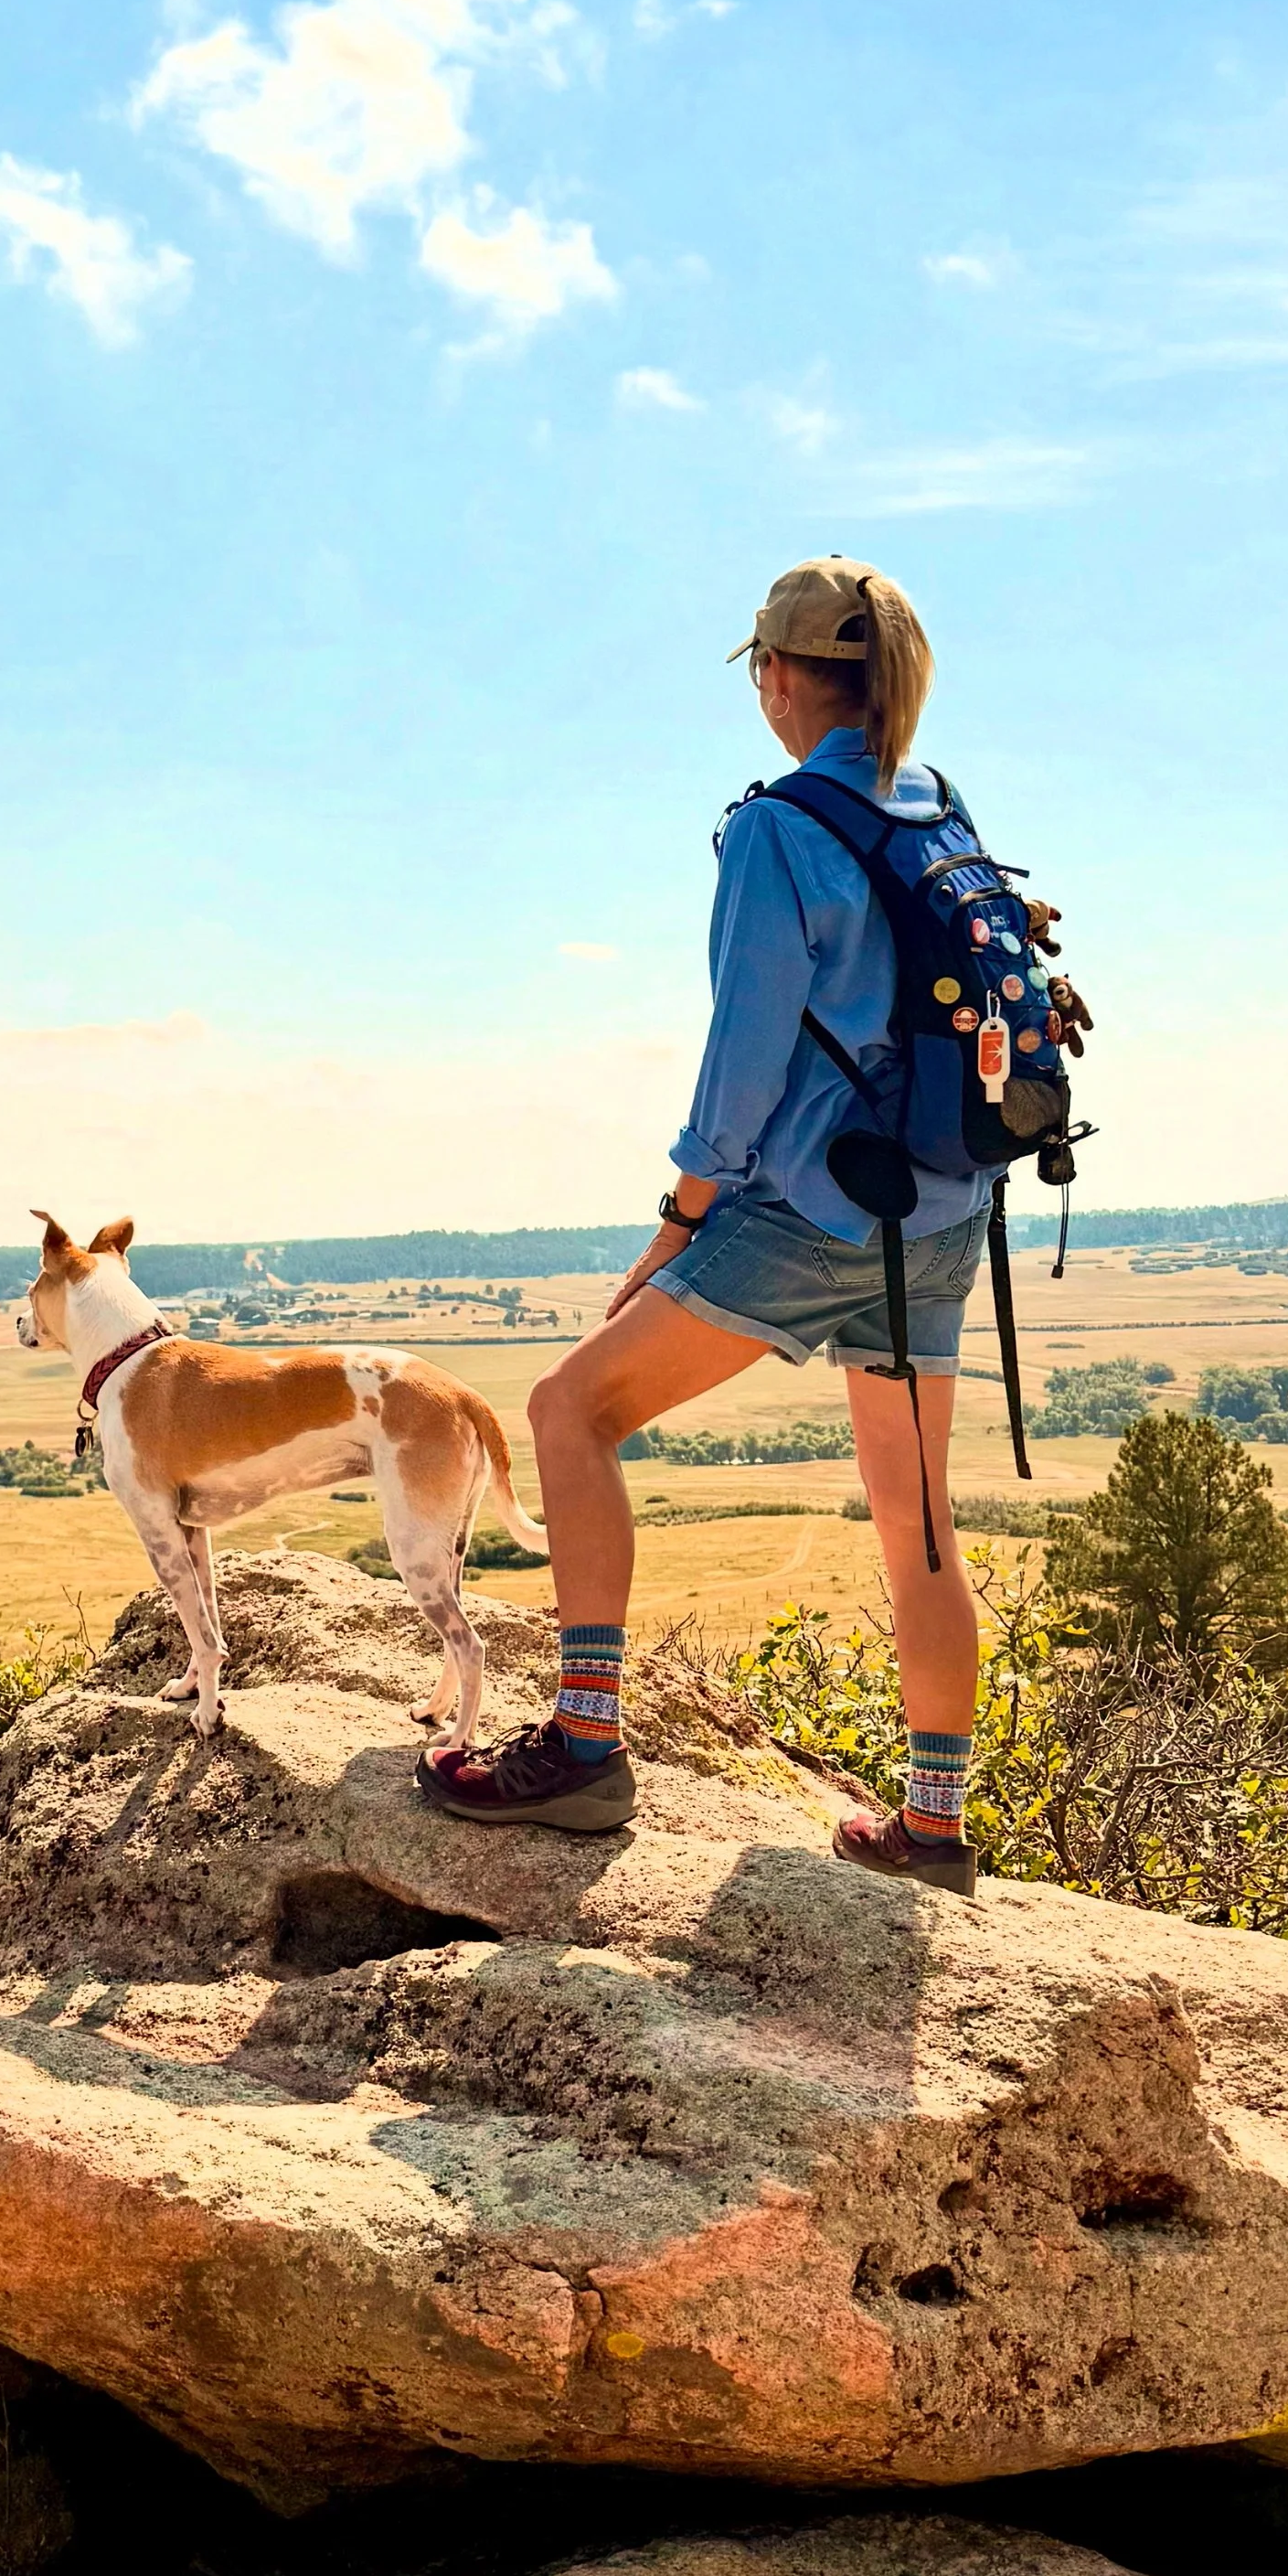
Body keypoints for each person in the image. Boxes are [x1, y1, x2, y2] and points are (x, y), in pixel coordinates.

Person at [420, 556, 990, 1892]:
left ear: (781, 677)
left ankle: (583, 1744)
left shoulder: (781, 825)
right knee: (917, 1522)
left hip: (814, 1208)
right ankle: (933, 1826)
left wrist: (682, 1214)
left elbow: (745, 1053)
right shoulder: (935, 806)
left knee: (571, 1410)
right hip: (945, 1211)